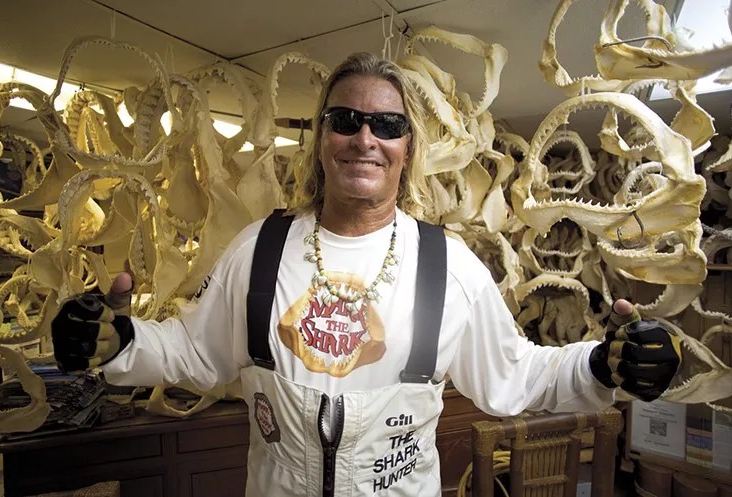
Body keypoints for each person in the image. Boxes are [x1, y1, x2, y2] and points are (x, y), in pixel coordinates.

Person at [51, 52, 681, 497]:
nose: (365, 138)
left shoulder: (449, 267)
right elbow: (194, 353)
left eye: (388, 125)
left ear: (408, 149)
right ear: (321, 138)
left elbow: (516, 376)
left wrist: (603, 367)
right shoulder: (259, 249)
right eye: (345, 120)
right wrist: (121, 343)